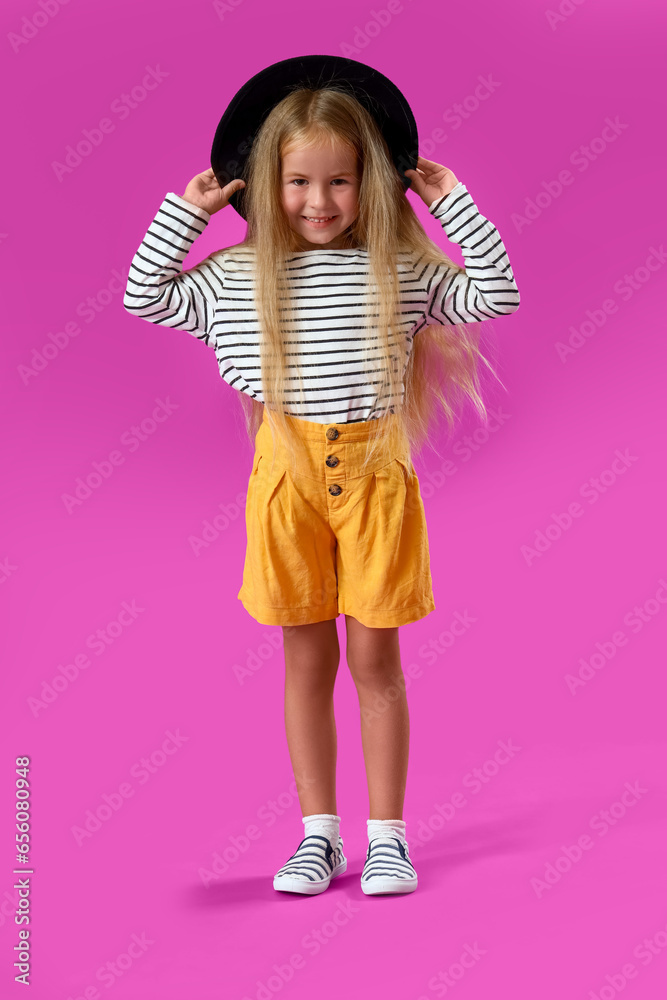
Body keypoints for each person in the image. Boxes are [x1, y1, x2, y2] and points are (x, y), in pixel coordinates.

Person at [122, 57, 520, 897]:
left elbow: (496, 291)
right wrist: (186, 213)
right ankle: (317, 837)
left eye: (339, 180)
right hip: (287, 480)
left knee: (375, 662)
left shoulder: (398, 273)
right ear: (263, 184)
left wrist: (448, 202)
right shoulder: (237, 280)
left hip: (376, 477)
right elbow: (143, 295)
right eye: (297, 181)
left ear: (369, 182)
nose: (318, 201)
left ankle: (387, 839)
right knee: (304, 662)